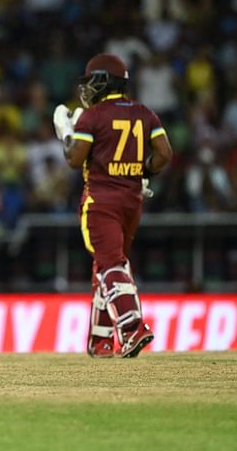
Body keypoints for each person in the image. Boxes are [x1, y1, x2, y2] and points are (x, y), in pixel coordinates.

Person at [52, 53, 172, 358]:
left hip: (100, 201)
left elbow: (73, 159)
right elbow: (164, 154)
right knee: (108, 266)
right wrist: (141, 170)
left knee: (111, 266)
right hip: (132, 201)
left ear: (104, 81)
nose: (87, 88)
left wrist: (66, 133)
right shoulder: (145, 113)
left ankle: (132, 330)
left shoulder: (93, 116)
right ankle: (101, 340)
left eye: (92, 80)